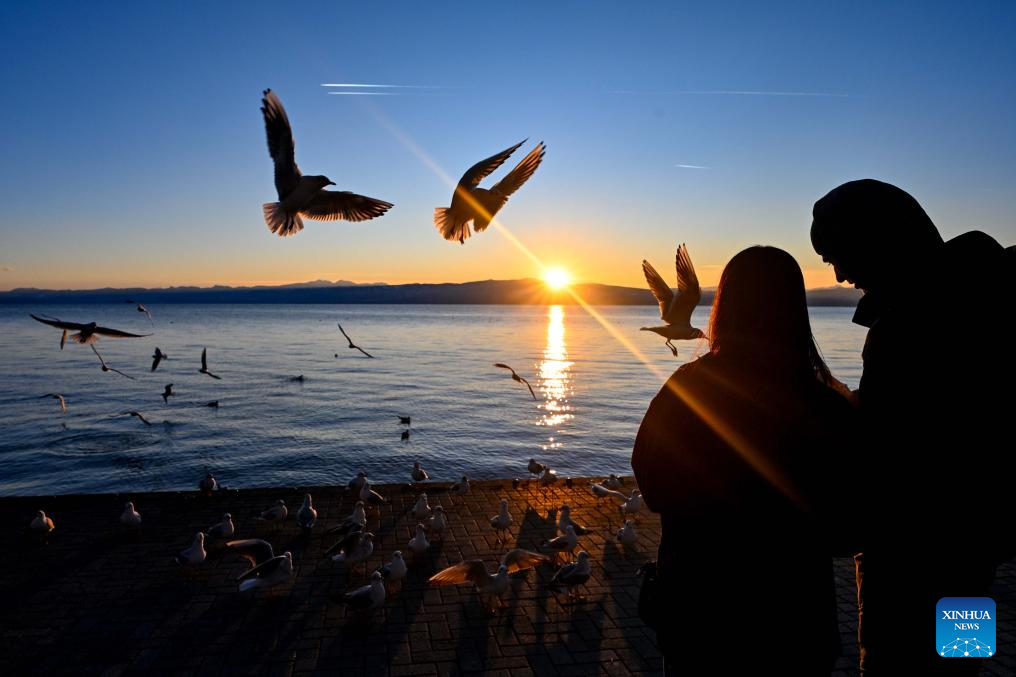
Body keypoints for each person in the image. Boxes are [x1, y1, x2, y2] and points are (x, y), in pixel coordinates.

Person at [810, 179, 1015, 674]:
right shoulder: (983, 304)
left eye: (839, 254)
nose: (838, 276)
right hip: (973, 553)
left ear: (876, 241)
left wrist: (828, 405)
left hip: (906, 566)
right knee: (962, 662)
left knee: (894, 662)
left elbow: (890, 450)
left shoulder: (906, 329)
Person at [632, 246, 857, 675]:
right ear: (795, 308)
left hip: (701, 617)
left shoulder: (688, 389)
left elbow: (652, 481)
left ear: (724, 305)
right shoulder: (824, 404)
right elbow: (849, 528)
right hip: (794, 626)